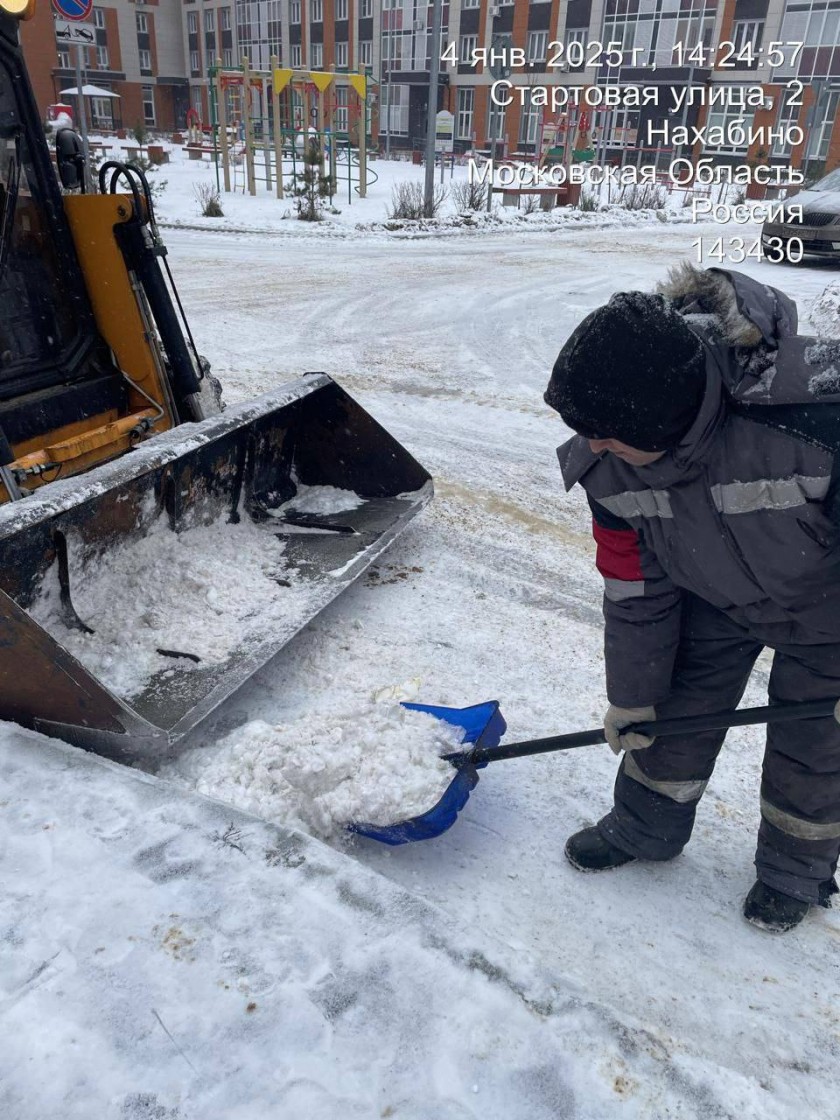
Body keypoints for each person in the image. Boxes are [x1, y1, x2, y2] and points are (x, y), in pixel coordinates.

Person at [544, 263, 840, 933]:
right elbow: (635, 589)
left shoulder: (811, 419)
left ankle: (795, 870)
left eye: (606, 433)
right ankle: (644, 828)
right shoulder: (610, 468)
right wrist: (633, 695)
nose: (591, 445)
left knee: (815, 745)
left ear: (661, 421)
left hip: (831, 614)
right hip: (716, 598)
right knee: (672, 717)